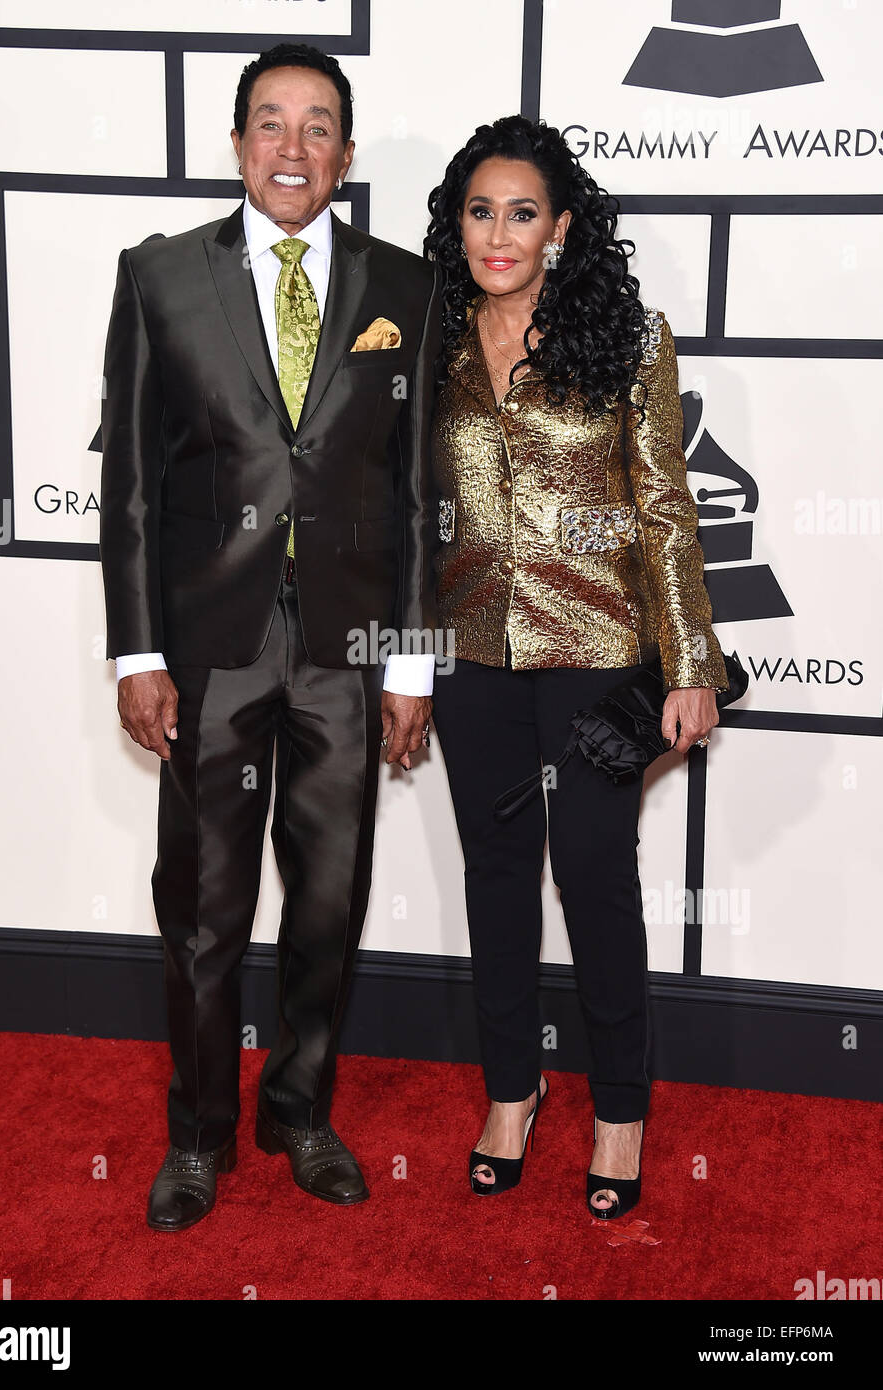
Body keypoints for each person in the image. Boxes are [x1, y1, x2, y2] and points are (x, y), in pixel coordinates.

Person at [99, 43, 439, 1231]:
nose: (292, 148)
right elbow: (133, 486)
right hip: (210, 643)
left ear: (344, 153)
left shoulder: (408, 285)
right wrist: (138, 653)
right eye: (269, 123)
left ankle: (298, 1110)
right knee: (200, 903)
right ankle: (195, 1133)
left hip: (347, 648)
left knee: (330, 899)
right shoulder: (159, 278)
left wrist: (410, 660)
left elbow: (414, 489)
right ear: (237, 142)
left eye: (317, 127)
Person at [425, 115, 728, 1217]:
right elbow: (417, 517)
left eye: (521, 212)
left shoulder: (626, 336)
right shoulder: (430, 336)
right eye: (477, 209)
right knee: (495, 874)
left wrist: (689, 659)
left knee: (593, 876)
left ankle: (617, 1108)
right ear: (454, 220)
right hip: (470, 653)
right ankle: (511, 1091)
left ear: (559, 226)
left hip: (599, 651)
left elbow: (663, 506)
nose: (497, 233)